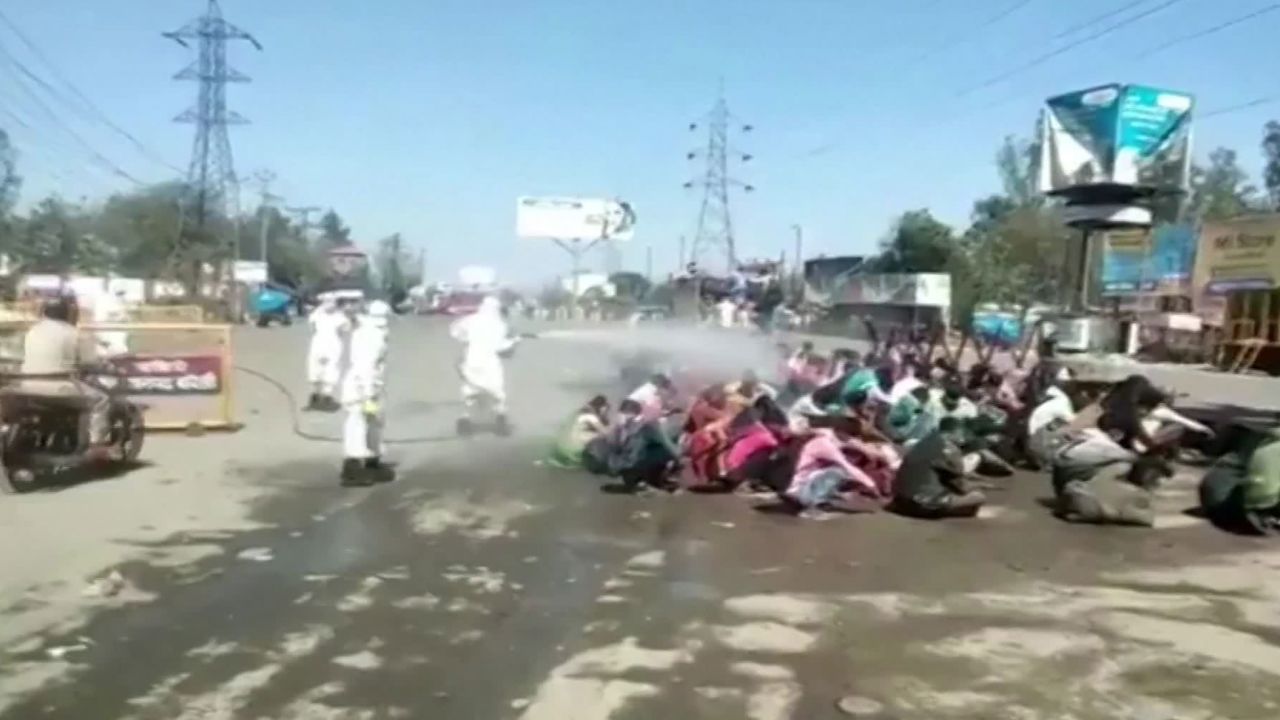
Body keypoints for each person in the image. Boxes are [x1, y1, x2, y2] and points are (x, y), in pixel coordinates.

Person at [18, 296, 112, 456]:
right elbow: (90, 362)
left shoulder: (32, 331)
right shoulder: (74, 333)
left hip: (26, 386)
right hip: (60, 388)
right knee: (100, 400)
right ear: (68, 313)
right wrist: (104, 365)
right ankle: (97, 446)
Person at [889, 418, 986, 519]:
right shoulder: (949, 447)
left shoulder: (925, 441)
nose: (962, 437)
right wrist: (976, 485)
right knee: (978, 496)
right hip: (924, 505)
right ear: (955, 431)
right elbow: (960, 486)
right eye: (960, 432)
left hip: (900, 502)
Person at [340, 300, 392, 486]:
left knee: (374, 424)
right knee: (357, 425)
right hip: (361, 389)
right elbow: (366, 367)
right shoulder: (372, 336)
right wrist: (368, 395)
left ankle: (372, 460)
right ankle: (353, 467)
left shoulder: (369, 331)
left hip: (371, 387)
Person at [783, 419, 882, 516]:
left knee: (838, 469)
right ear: (840, 432)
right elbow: (847, 466)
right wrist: (871, 485)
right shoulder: (826, 445)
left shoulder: (829, 437)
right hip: (798, 486)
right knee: (839, 471)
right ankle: (813, 504)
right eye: (850, 435)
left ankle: (816, 497)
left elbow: (854, 444)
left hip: (802, 478)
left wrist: (869, 451)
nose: (851, 439)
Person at [451, 296, 519, 435]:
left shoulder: (470, 320)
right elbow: (501, 348)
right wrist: (514, 341)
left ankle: (464, 421)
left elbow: (455, 332)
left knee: (470, 391)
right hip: (489, 362)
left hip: (472, 360)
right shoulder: (499, 325)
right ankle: (500, 422)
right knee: (497, 392)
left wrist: (466, 340)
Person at [306, 295, 350, 411]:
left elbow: (344, 330)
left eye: (331, 302)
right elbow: (312, 327)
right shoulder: (317, 314)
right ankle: (315, 397)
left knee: (331, 370)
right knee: (315, 370)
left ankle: (327, 397)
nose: (329, 304)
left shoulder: (340, 316)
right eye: (326, 301)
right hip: (318, 343)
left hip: (332, 344)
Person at [549, 396, 611, 470]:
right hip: (573, 448)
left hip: (563, 446)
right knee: (601, 437)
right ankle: (588, 458)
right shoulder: (590, 416)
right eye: (605, 407)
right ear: (601, 407)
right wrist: (604, 416)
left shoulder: (579, 412)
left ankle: (572, 457)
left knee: (589, 433)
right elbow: (605, 432)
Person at [92, 289, 130, 357]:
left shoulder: (119, 304)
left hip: (115, 337)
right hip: (107, 334)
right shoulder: (104, 302)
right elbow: (101, 319)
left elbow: (124, 317)